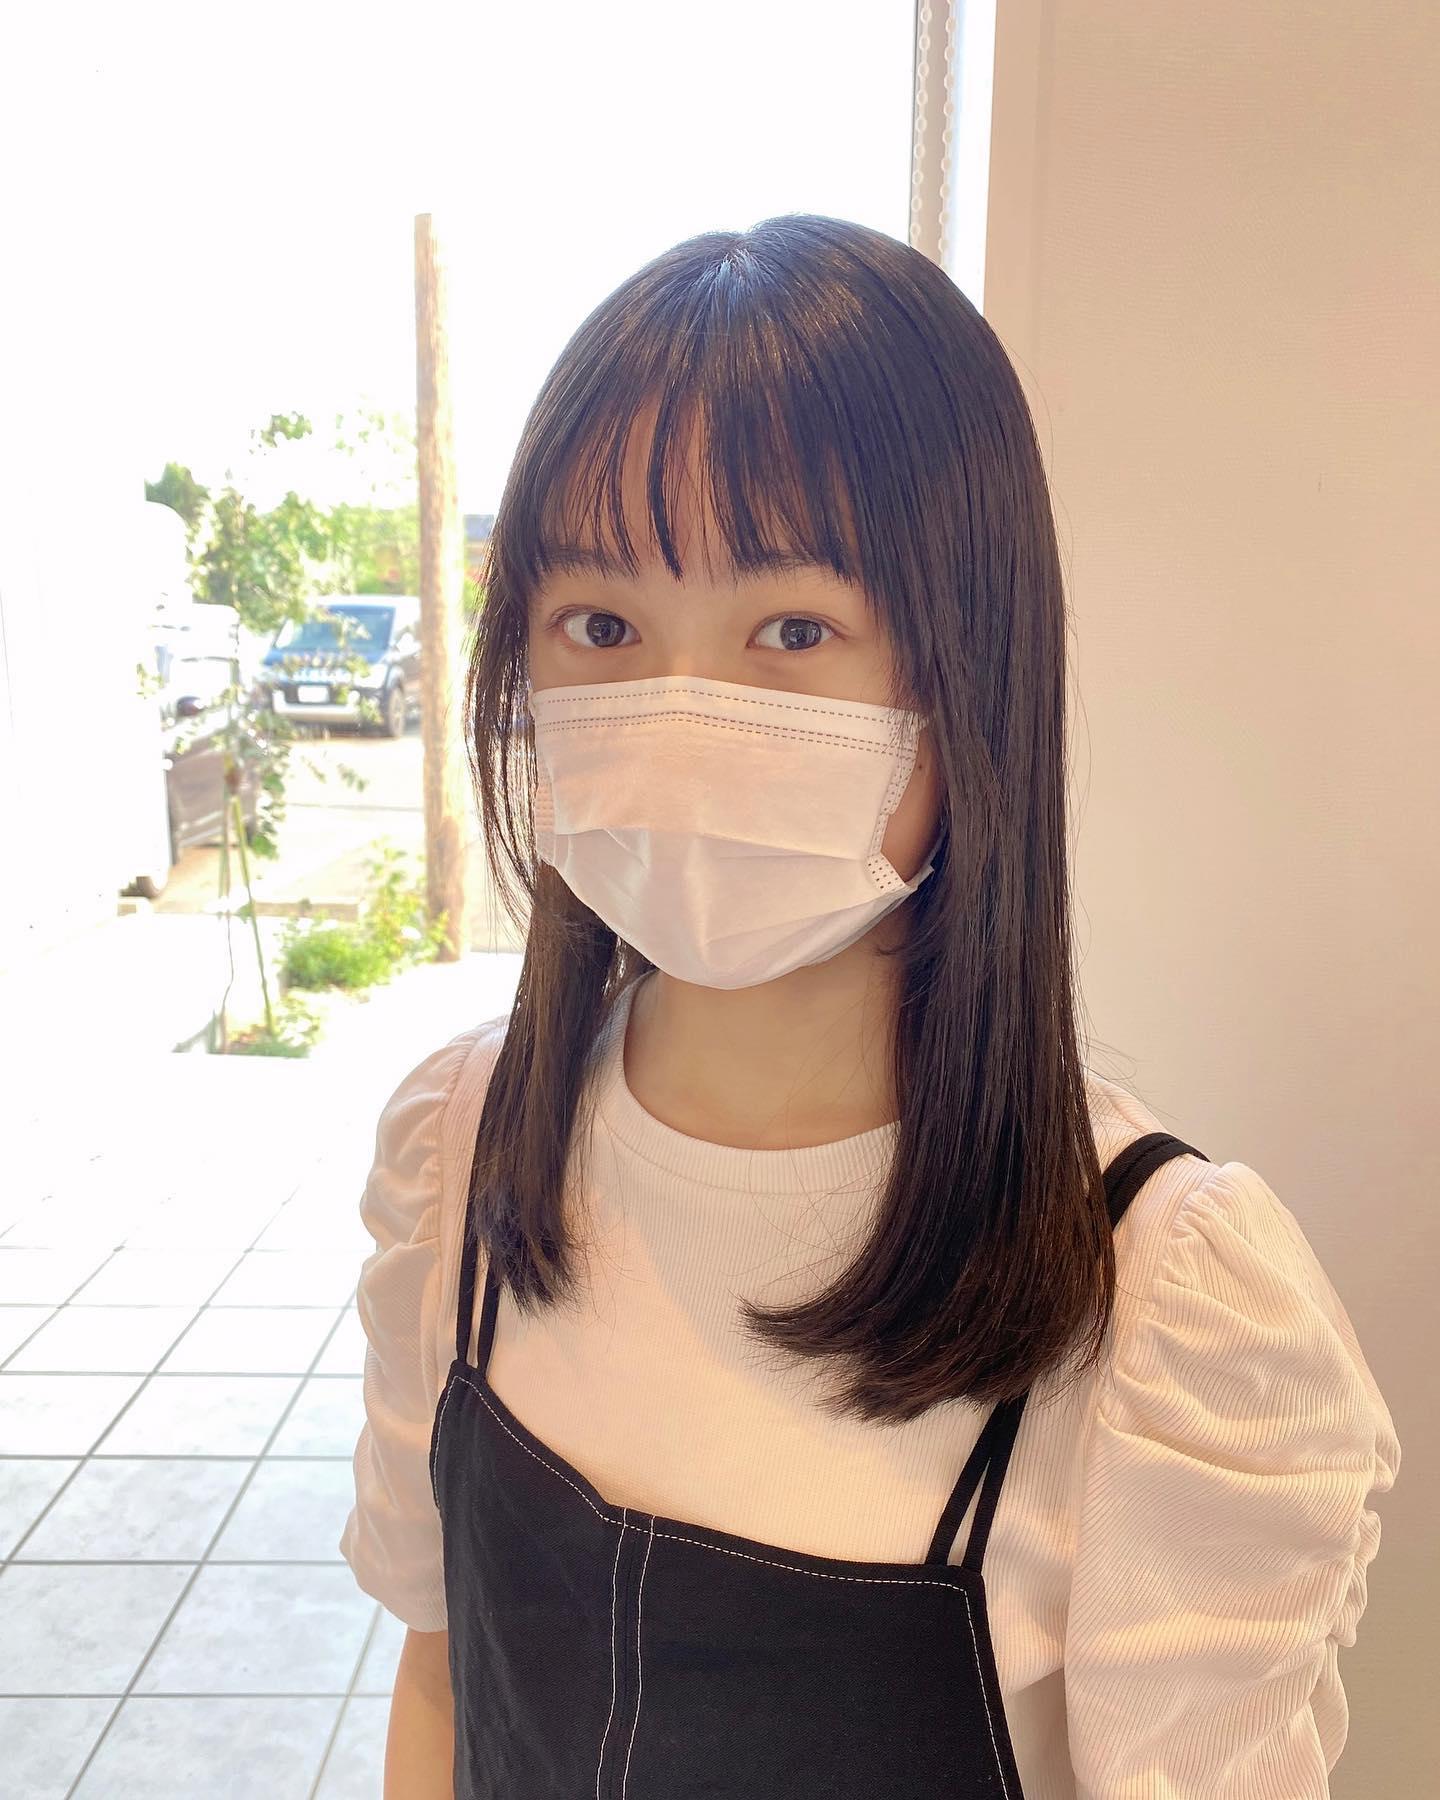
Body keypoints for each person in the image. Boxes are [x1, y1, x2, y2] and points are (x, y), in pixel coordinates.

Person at [339, 214, 1400, 1798]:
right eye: (602, 628)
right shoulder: (459, 1148)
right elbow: (438, 1681)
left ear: (971, 675)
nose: (681, 714)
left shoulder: (1166, 1304)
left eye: (793, 630)